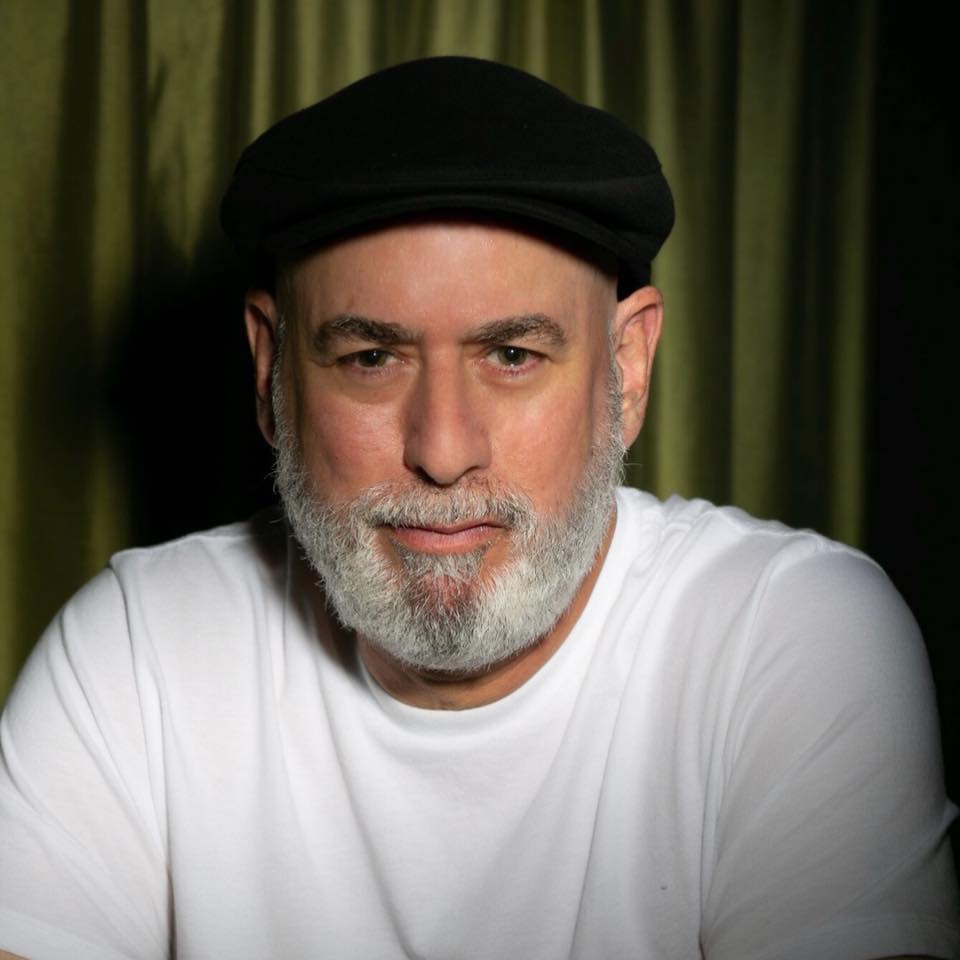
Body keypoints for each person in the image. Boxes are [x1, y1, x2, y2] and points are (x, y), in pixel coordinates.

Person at [0, 56, 957, 960]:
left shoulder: (783, 635)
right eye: (372, 358)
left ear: (626, 369)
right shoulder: (135, 651)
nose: (444, 450)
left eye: (512, 355)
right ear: (270, 371)